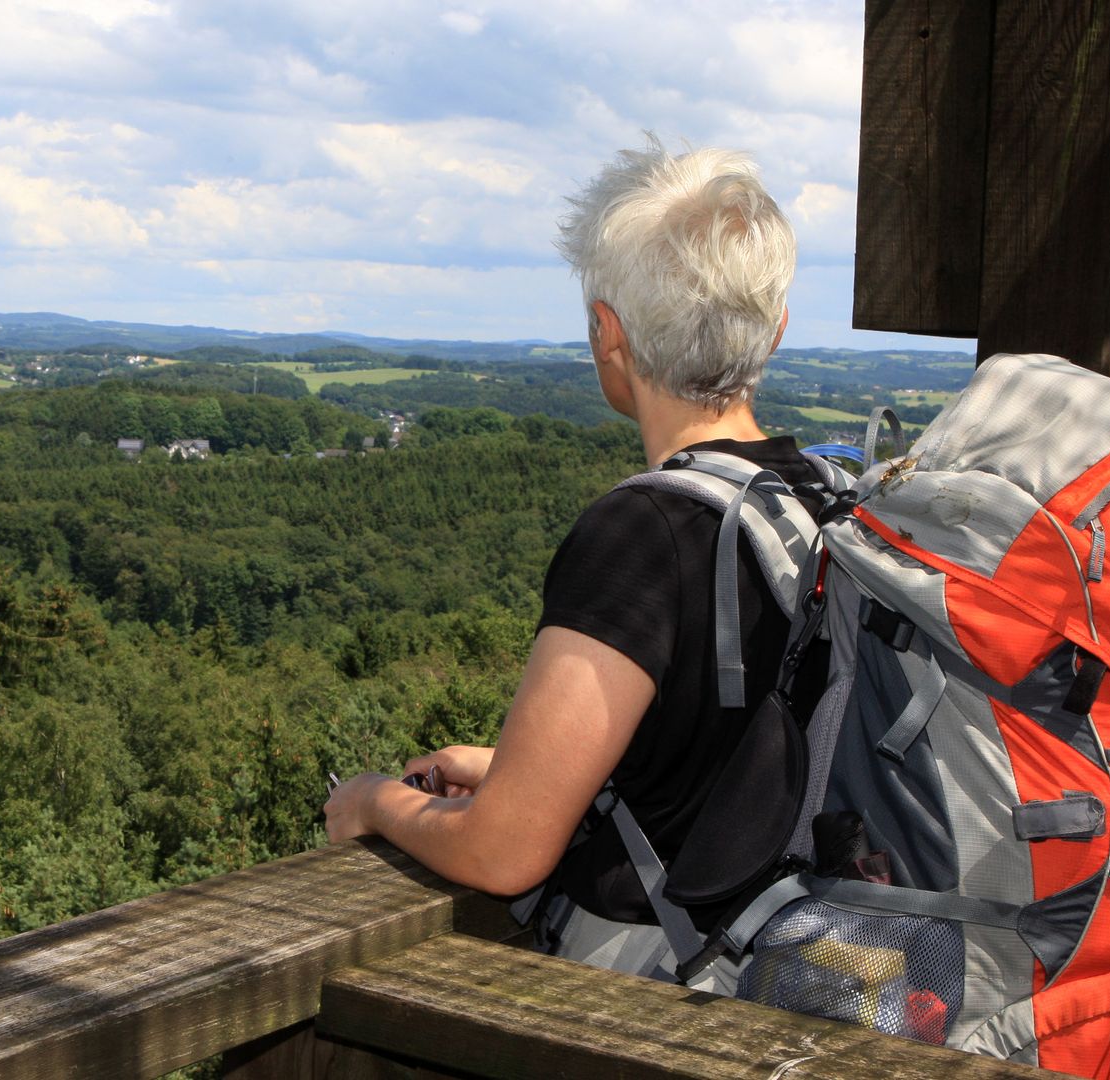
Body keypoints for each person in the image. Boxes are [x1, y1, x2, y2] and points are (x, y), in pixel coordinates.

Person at [322, 137, 818, 982]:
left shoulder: (642, 536)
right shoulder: (816, 498)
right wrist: (523, 771)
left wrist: (372, 800)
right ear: (776, 326)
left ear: (606, 333)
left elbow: (504, 855)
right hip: (792, 952)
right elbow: (732, 758)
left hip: (664, 986)